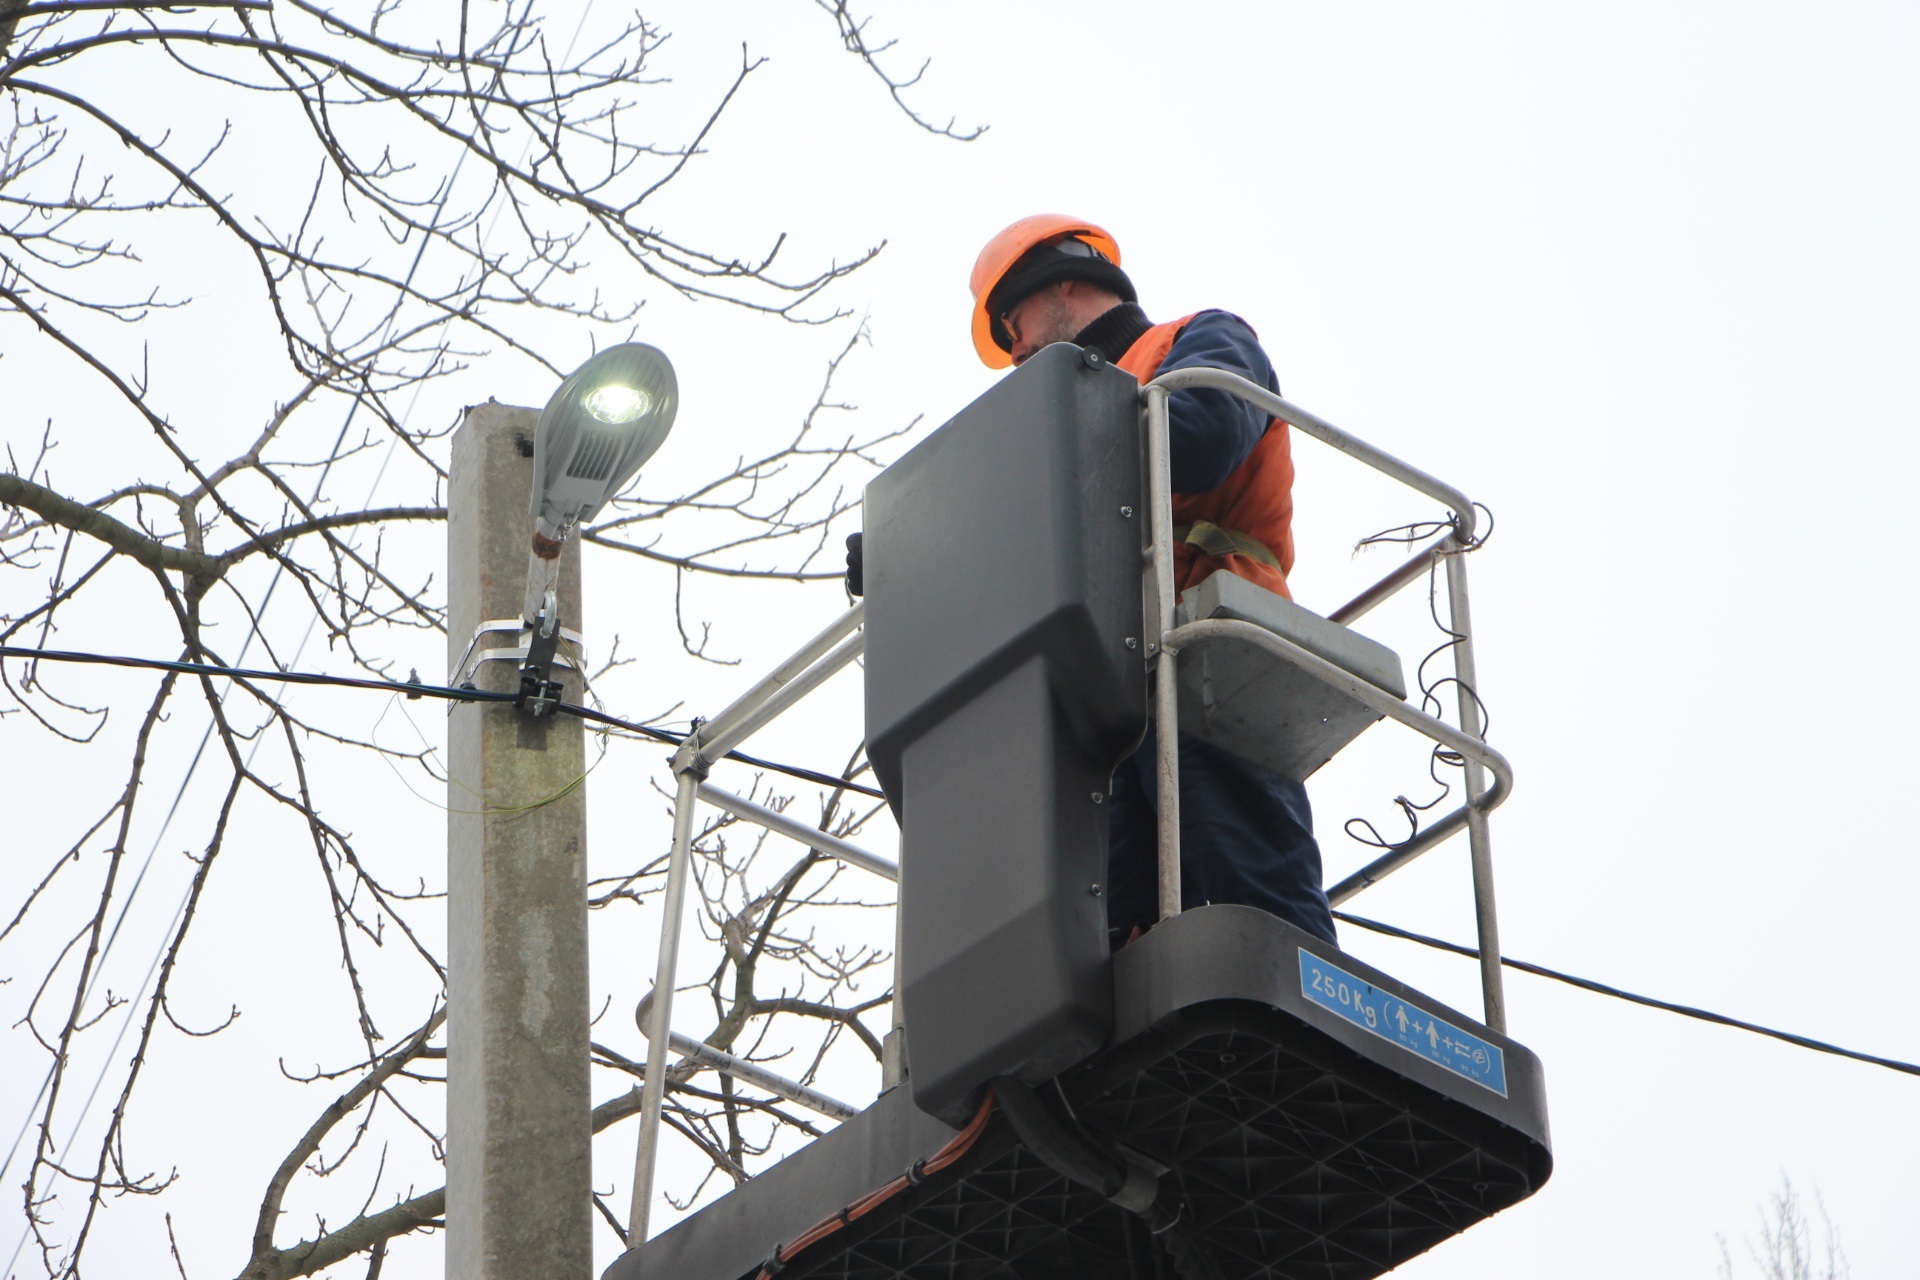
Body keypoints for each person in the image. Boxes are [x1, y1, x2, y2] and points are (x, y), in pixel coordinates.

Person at [968, 213, 1338, 947]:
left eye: (1014, 322)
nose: (1015, 352)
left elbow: (1200, 437)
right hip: (1106, 683)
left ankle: (1293, 1007)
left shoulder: (1199, 340)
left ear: (1064, 283)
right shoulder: (1053, 429)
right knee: (1112, 923)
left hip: (1209, 645)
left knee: (1245, 867)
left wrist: (1051, 459)